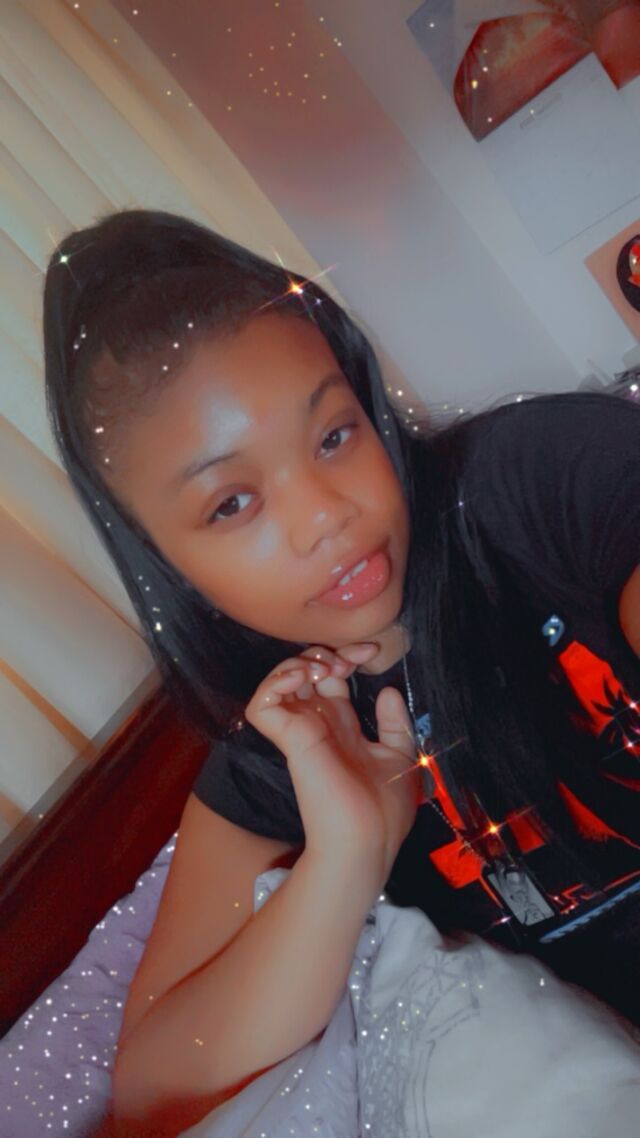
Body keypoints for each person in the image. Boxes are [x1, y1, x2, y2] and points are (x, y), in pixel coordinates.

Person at [42, 208, 640, 1136]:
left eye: (332, 436)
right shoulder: (282, 748)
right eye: (232, 502)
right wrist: (347, 855)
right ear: (167, 564)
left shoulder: (538, 486)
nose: (326, 514)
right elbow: (156, 1091)